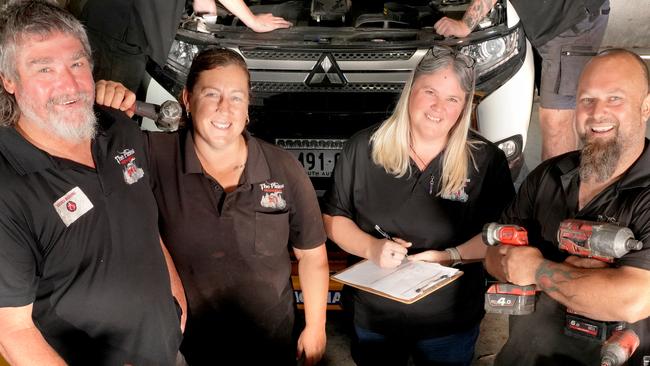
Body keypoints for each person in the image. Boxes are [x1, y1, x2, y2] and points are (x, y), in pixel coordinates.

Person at [95, 47, 329, 365]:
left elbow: (312, 256)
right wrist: (105, 104)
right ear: (187, 100)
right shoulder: (153, 156)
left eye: (236, 97)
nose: (224, 109)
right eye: (211, 94)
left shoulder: (282, 167)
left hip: (269, 346)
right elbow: (89, 154)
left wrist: (316, 327)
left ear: (247, 108)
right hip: (181, 349)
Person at [0, 1, 184, 365]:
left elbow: (145, 226)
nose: (68, 84)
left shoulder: (120, 130)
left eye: (76, 63)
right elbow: (12, 332)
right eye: (44, 69)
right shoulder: (8, 187)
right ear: (9, 80)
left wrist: (176, 304)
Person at [321, 47, 515, 366]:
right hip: (375, 317)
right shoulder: (363, 147)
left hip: (449, 322)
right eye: (430, 92)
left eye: (453, 99)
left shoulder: (486, 159)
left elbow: (500, 233)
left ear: (465, 106)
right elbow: (333, 218)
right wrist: (372, 247)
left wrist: (450, 255)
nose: (439, 107)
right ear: (411, 90)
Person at [483, 49, 650, 365]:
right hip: (523, 356)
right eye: (587, 99)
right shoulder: (548, 175)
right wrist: (585, 280)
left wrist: (534, 268)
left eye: (615, 98)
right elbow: (493, 256)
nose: (597, 112)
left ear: (646, 107)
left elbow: (633, 299)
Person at [434, 0, 610, 161]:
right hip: (544, 19)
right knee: (561, 114)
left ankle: (555, 192)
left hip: (568, 22)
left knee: (557, 121)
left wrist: (465, 25)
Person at [75, 0, 292, 91]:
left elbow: (203, 3)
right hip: (119, 30)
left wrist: (207, 19)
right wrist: (252, 20)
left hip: (124, 29)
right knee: (112, 111)